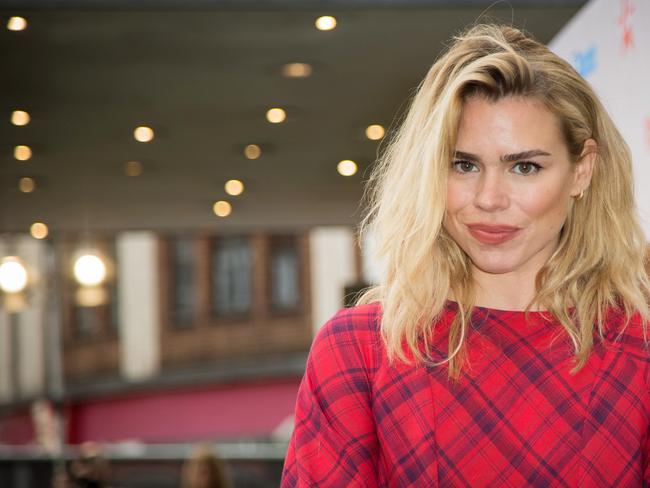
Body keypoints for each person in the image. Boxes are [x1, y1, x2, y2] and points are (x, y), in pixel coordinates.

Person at [281, 23, 650, 487]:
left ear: (582, 171)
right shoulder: (360, 352)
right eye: (464, 164)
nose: (489, 198)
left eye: (524, 166)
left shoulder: (638, 348)